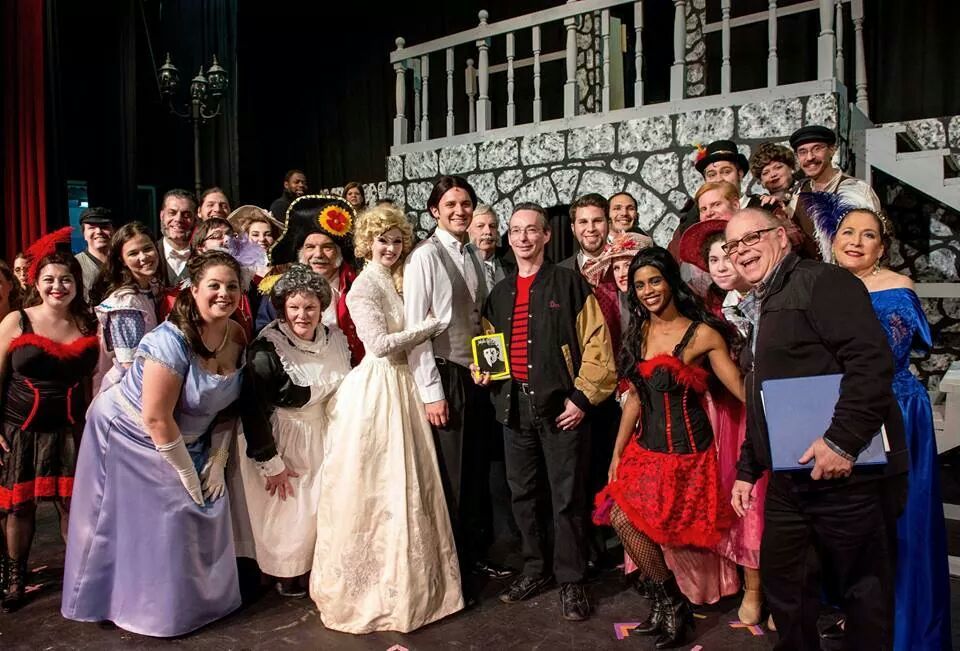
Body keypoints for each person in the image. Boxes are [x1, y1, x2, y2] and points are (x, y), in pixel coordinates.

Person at [725, 207, 908, 649]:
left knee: (864, 594)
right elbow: (762, 394)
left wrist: (842, 443)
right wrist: (749, 468)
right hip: (792, 479)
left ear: (782, 238)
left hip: (847, 478)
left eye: (752, 238)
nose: (742, 251)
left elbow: (871, 363)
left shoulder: (824, 282)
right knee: (785, 587)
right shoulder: (762, 304)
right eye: (733, 246)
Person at [62, 251, 246, 637]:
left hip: (191, 434)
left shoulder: (238, 334)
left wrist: (218, 453)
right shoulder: (168, 342)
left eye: (231, 286)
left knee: (211, 503)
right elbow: (156, 418)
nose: (223, 293)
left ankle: (204, 603)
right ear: (193, 290)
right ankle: (136, 604)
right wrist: (185, 472)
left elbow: (231, 402)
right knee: (173, 507)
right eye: (213, 285)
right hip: (132, 433)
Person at [310, 205, 462, 633]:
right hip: (379, 387)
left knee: (411, 484)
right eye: (382, 241)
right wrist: (428, 327)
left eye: (396, 241)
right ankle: (372, 588)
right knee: (377, 487)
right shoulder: (362, 287)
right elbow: (377, 344)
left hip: (406, 384)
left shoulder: (399, 279)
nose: (391, 248)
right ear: (366, 244)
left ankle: (416, 585)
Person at [815, 196, 952, 650]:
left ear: (882, 248)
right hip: (835, 409)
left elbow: (886, 356)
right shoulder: (819, 283)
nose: (856, 241)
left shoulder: (896, 287)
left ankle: (905, 628)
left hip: (893, 408)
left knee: (900, 522)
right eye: (848, 233)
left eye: (868, 235)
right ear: (832, 242)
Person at [477, 203, 617, 621]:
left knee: (566, 498)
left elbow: (598, 347)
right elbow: (490, 349)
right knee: (523, 496)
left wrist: (582, 398)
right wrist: (484, 373)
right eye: (516, 231)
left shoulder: (570, 284)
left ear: (546, 236)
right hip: (513, 410)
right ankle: (536, 568)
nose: (523, 238)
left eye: (531, 231)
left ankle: (572, 579)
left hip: (562, 410)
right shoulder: (498, 294)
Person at [597, 247, 742, 648]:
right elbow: (636, 399)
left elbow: (740, 391)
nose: (647, 291)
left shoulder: (702, 334)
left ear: (671, 282)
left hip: (686, 456)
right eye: (639, 285)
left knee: (635, 524)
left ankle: (671, 606)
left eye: (654, 281)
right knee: (623, 519)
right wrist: (617, 451)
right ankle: (668, 603)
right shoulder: (640, 331)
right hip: (646, 451)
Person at [404, 175, 511, 586]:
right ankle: (455, 571)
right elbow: (417, 332)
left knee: (480, 474)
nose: (460, 211)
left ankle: (476, 557)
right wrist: (432, 394)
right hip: (445, 375)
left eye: (465, 204)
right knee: (455, 479)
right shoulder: (425, 257)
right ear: (435, 210)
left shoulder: (471, 254)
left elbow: (477, 318)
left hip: (476, 377)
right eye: (450, 204)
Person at [0, 228, 99, 612]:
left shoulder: (89, 323)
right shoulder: (16, 321)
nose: (58, 286)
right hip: (21, 430)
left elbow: (94, 382)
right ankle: (16, 577)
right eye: (50, 280)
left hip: (71, 431)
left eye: (66, 280)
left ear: (76, 283)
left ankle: (80, 573)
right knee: (19, 509)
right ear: (37, 283)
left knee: (72, 507)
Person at [239, 264, 350, 598]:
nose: (302, 315)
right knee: (289, 513)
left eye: (310, 307)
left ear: (321, 307)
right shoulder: (268, 348)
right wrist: (270, 462)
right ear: (283, 309)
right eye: (294, 308)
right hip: (287, 437)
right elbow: (253, 408)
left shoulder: (335, 339)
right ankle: (285, 573)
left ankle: (315, 569)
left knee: (321, 509)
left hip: (327, 434)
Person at [678, 218, 768, 625]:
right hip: (723, 412)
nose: (720, 263)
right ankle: (744, 585)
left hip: (760, 408)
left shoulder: (764, 297)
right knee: (737, 499)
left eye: (727, 254)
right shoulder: (704, 309)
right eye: (712, 258)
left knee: (765, 501)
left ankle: (771, 589)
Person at [256, 195, 364, 363]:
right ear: (301, 253)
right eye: (310, 247)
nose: (318, 254)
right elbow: (265, 332)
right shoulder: (280, 288)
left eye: (327, 247)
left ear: (339, 253)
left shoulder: (357, 286)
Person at [788, 125, 882, 260]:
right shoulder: (798, 193)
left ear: (832, 150)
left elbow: (872, 240)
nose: (809, 157)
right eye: (802, 152)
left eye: (817, 149)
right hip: (812, 277)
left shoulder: (857, 189)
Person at [88, 222, 161, 394]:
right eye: (133, 253)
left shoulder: (151, 287)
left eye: (147, 249)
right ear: (122, 260)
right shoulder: (126, 304)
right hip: (129, 393)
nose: (143, 257)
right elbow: (129, 366)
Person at [155, 189, 198, 287]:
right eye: (172, 213)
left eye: (186, 215)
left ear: (195, 220)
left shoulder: (203, 257)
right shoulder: (148, 255)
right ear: (162, 216)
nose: (178, 219)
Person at [467, 203, 514, 290]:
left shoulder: (512, 269)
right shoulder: (459, 267)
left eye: (492, 226)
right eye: (480, 226)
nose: (488, 231)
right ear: (468, 230)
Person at [75, 207, 115, 300]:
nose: (98, 232)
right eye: (91, 228)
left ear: (113, 231)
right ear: (83, 234)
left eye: (104, 227)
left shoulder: (124, 261)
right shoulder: (75, 264)